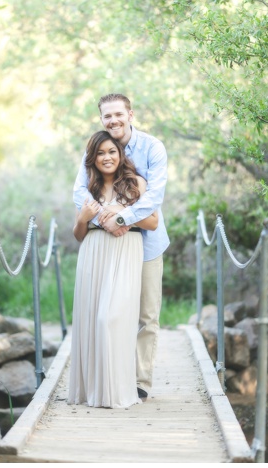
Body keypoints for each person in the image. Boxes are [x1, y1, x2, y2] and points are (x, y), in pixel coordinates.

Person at [73, 93, 169, 402]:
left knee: (146, 315)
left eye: (118, 114)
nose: (113, 120)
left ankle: (140, 383)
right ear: (101, 119)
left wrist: (125, 217)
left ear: (130, 114)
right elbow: (79, 193)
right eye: (107, 116)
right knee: (108, 313)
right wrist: (105, 221)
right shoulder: (96, 149)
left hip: (146, 243)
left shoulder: (152, 148)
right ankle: (110, 379)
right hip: (108, 247)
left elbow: (154, 199)